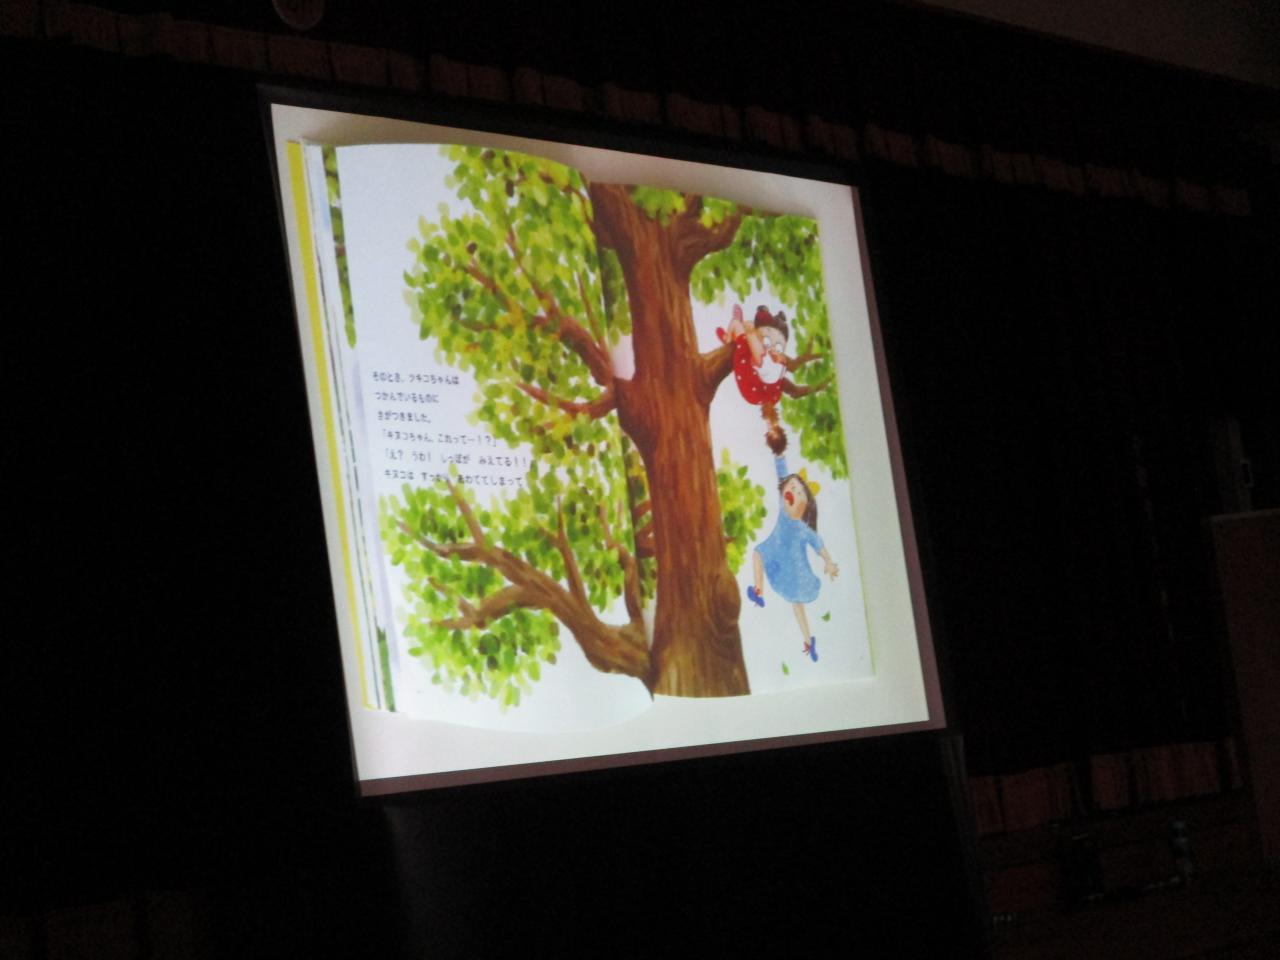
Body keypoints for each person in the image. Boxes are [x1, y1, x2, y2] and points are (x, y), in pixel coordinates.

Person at [745, 450, 839, 661]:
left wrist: (829, 562)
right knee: (758, 553)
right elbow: (782, 473)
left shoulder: (804, 530)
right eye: (791, 488)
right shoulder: (783, 510)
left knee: (798, 607)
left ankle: (809, 642)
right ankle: (758, 591)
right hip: (776, 556)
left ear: (806, 503)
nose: (793, 491)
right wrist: (779, 454)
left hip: (796, 574)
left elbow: (819, 546)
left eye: (798, 490)